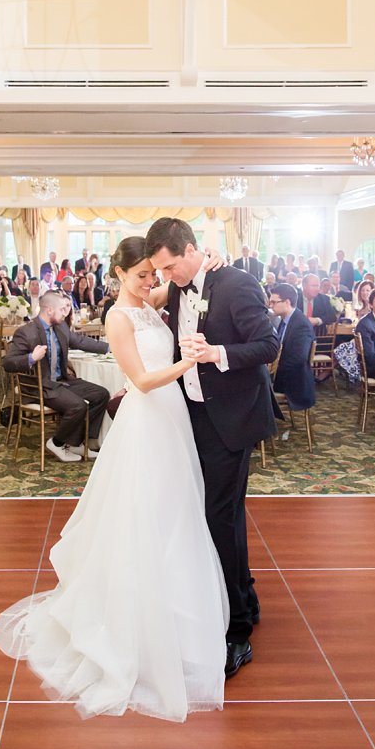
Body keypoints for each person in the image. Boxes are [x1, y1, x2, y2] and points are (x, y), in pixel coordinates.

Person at [0, 236, 226, 722]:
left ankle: (179, 607)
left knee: (177, 508)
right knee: (142, 510)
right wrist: (188, 363)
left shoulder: (150, 300)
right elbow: (140, 381)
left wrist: (212, 259)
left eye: (152, 273)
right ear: (119, 273)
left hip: (174, 417)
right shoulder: (120, 318)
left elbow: (186, 280)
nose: (150, 282)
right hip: (147, 418)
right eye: (141, 275)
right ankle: (133, 618)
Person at [145, 216, 277, 681]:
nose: (166, 277)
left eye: (170, 268)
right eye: (159, 270)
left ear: (192, 249)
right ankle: (245, 595)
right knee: (217, 514)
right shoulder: (181, 286)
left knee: (219, 516)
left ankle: (237, 630)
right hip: (196, 415)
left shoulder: (238, 284)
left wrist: (217, 352)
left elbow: (267, 345)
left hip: (232, 419)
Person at [1, 290, 112, 462]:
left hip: (60, 381)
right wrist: (31, 358)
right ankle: (57, 442)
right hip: (37, 385)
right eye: (62, 309)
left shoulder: (61, 328)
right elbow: (8, 363)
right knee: (78, 406)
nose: (65, 313)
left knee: (101, 394)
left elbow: (81, 341)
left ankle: (77, 442)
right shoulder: (26, 332)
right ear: (49, 310)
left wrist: (109, 347)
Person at [267, 285, 316, 431]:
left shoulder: (301, 324)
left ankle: (259, 432)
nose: (271, 306)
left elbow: (298, 359)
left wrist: (272, 371)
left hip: (294, 381)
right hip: (286, 375)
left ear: (287, 302)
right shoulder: (286, 320)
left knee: (253, 386)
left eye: (274, 302)